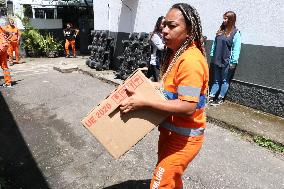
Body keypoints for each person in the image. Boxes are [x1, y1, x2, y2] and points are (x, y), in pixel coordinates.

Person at [120, 3, 208, 188]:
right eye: (164, 25)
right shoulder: (177, 55)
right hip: (170, 134)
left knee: (160, 184)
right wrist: (147, 85)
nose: (164, 31)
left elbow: (187, 107)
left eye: (172, 26)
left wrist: (143, 102)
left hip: (184, 140)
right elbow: (170, 88)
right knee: (172, 181)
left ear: (190, 30)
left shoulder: (190, 60)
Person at [208, 11, 241, 106]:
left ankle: (220, 98)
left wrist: (233, 62)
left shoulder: (235, 33)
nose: (224, 20)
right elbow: (215, 44)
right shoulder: (220, 30)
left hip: (227, 61)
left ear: (231, 20)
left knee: (224, 80)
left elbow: (236, 49)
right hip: (216, 60)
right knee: (216, 80)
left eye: (226, 18)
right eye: (224, 18)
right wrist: (212, 55)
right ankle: (211, 96)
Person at [146, 16, 165, 82]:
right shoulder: (155, 35)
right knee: (158, 82)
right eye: (163, 23)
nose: (164, 25)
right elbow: (161, 47)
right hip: (155, 63)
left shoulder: (165, 35)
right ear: (158, 24)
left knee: (152, 81)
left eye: (166, 23)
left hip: (162, 63)